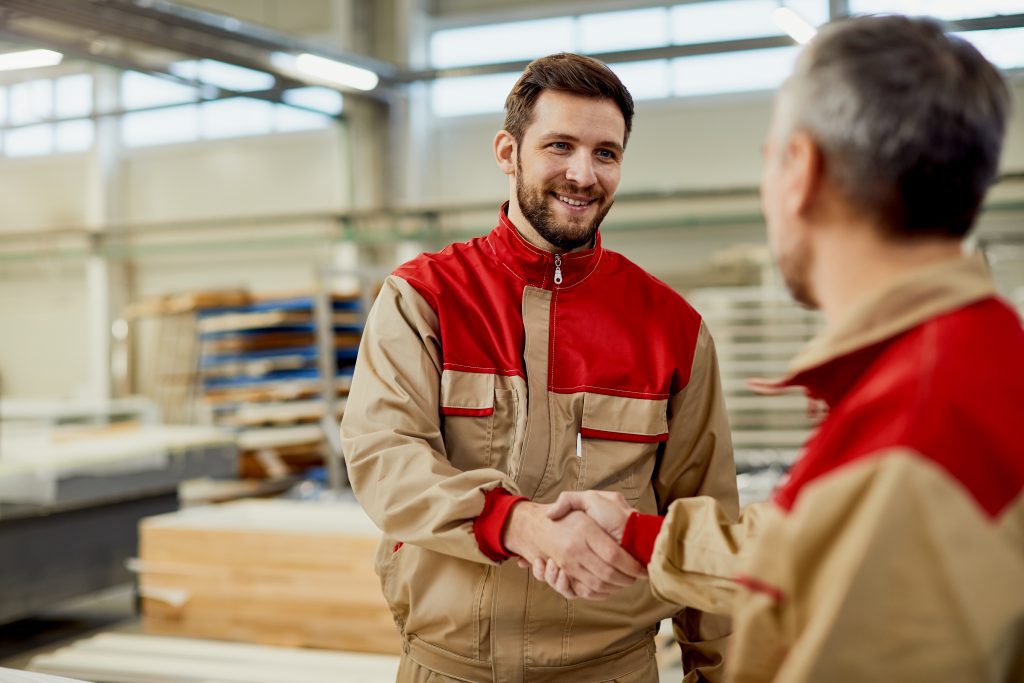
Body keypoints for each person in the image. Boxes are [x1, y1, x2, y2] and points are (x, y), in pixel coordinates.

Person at [537, 15, 1024, 682]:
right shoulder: (972, 356)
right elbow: (819, 546)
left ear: (800, 168)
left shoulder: (914, 427)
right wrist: (642, 534)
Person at [340, 53, 739, 682]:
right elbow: (385, 458)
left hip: (611, 670)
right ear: (507, 151)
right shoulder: (424, 298)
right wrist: (515, 523)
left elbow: (706, 513)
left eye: (606, 153)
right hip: (448, 669)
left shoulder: (672, 328)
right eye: (560, 146)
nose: (584, 174)